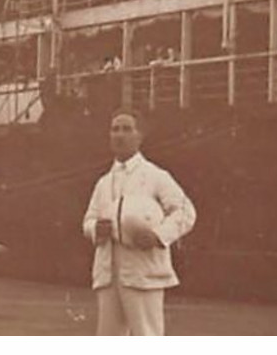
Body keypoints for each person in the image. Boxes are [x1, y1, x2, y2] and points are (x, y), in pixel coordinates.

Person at [82, 110, 197, 336]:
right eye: (115, 129)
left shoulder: (156, 176)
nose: (120, 135)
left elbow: (186, 212)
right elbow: (88, 219)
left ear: (139, 136)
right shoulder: (103, 183)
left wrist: (158, 236)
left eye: (127, 129)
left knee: (147, 335)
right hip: (108, 273)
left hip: (142, 271)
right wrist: (95, 229)